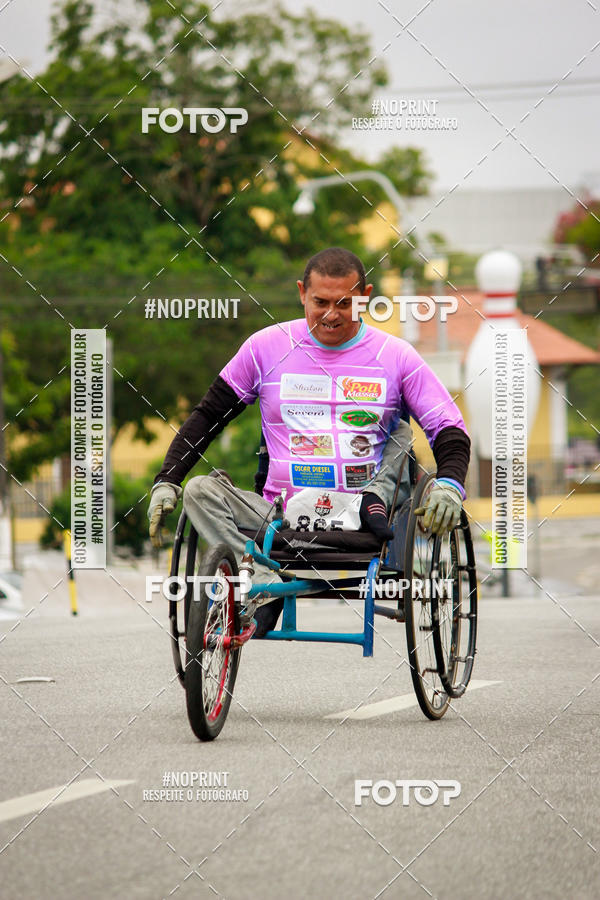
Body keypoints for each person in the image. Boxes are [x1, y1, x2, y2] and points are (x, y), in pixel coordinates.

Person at [149, 247, 470, 615]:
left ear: (365, 298)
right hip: (278, 515)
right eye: (320, 301)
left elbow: (448, 427)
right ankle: (261, 582)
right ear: (302, 292)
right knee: (199, 491)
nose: (331, 315)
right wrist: (167, 478)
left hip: (364, 515)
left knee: (400, 432)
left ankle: (264, 588)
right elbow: (208, 416)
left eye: (344, 303)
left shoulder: (396, 356)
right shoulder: (264, 348)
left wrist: (449, 485)